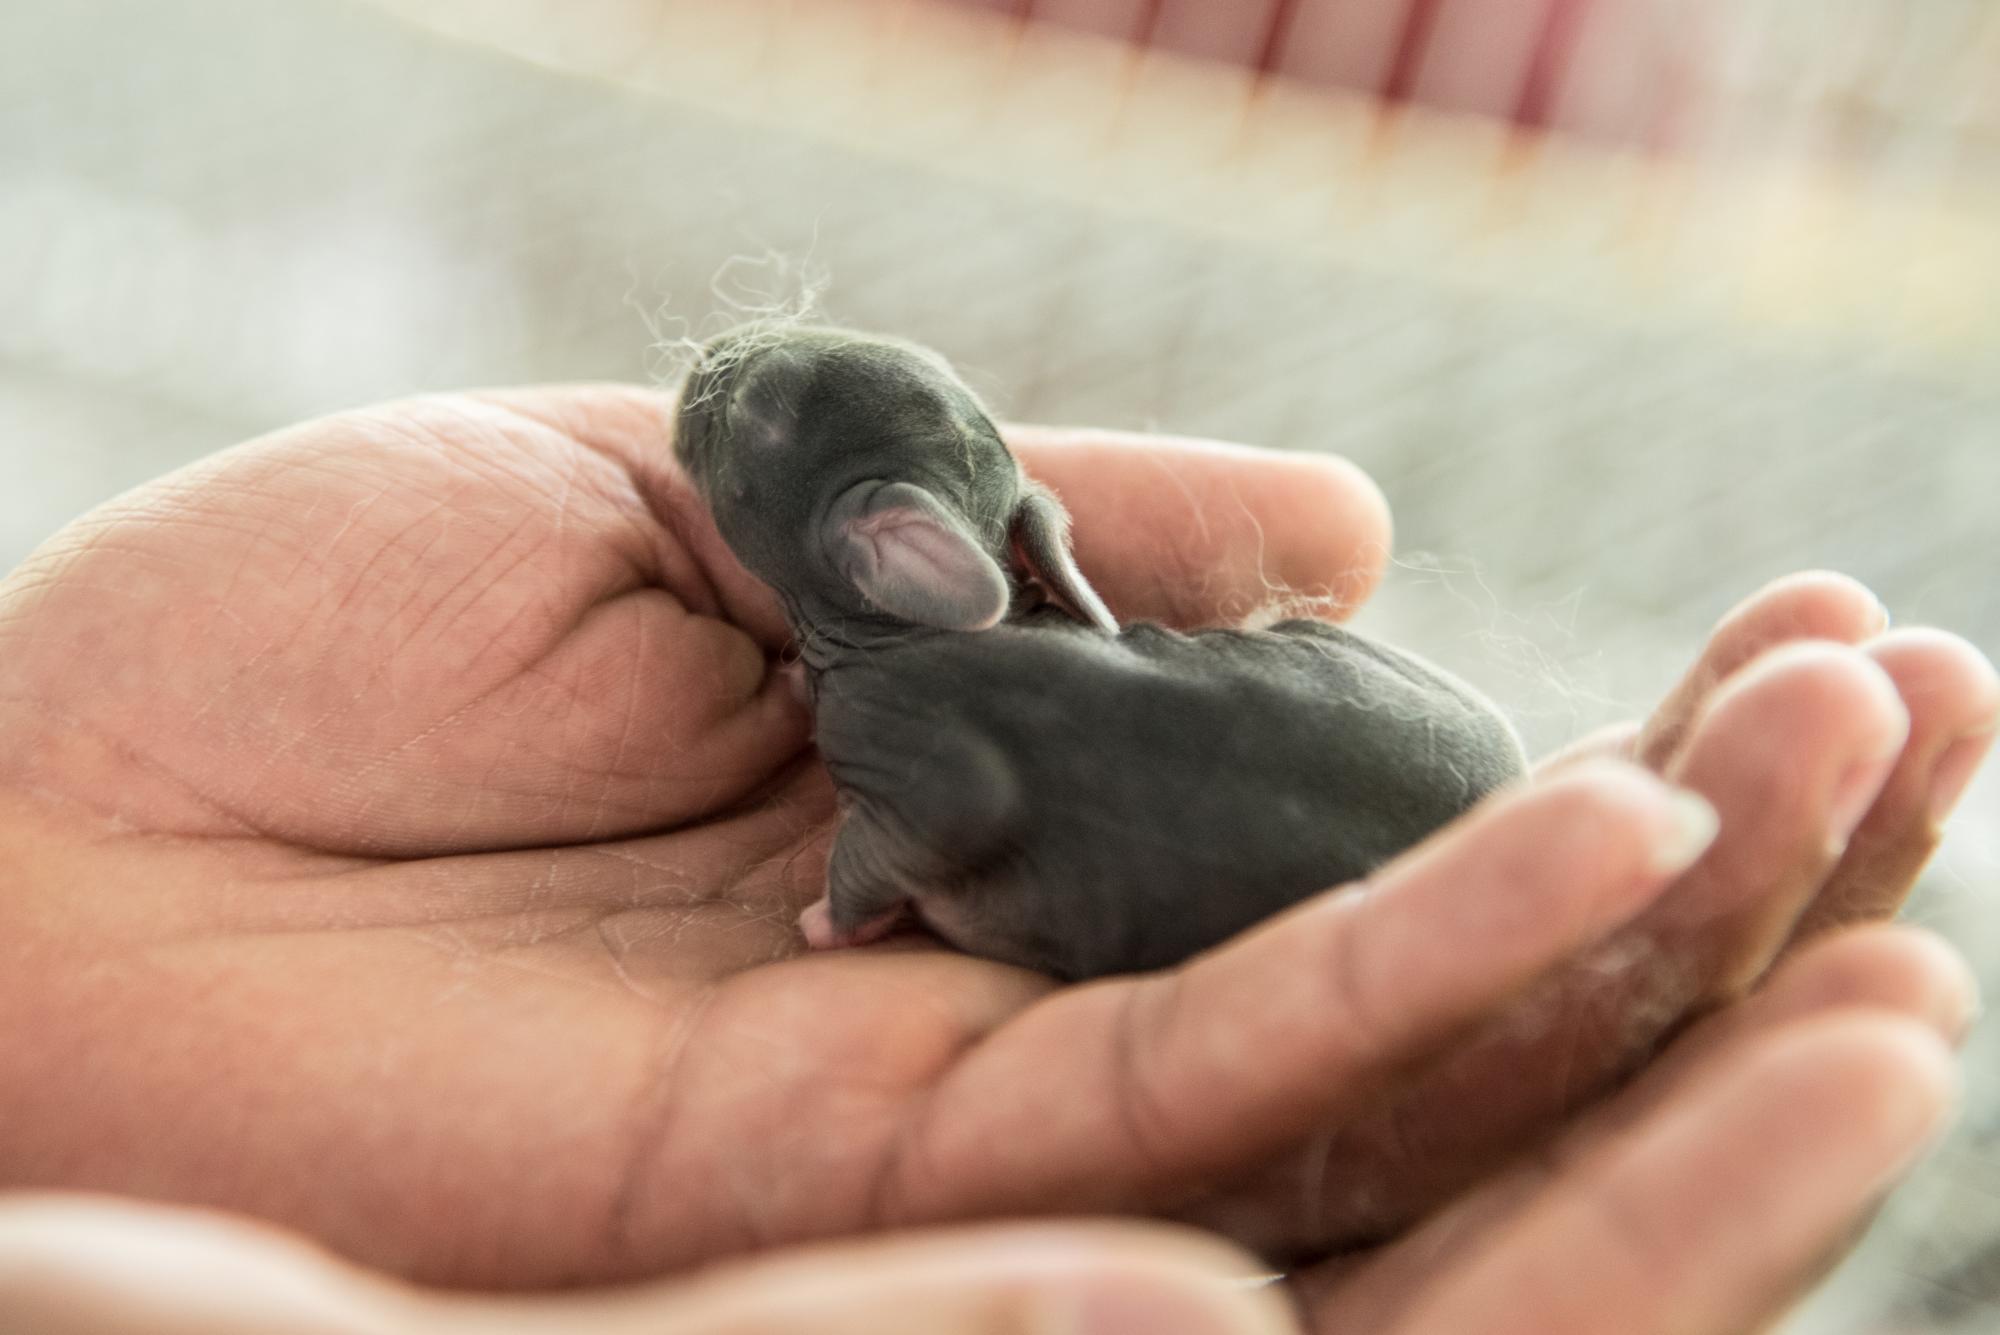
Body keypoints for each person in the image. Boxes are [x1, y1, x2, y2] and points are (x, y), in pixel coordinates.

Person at [0, 386, 1990, 1333]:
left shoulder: (882, 711)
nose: (724, 400)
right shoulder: (1026, 610)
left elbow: (920, 821)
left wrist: (847, 894)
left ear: (913, 562)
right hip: (1424, 779)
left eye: (761, 422)